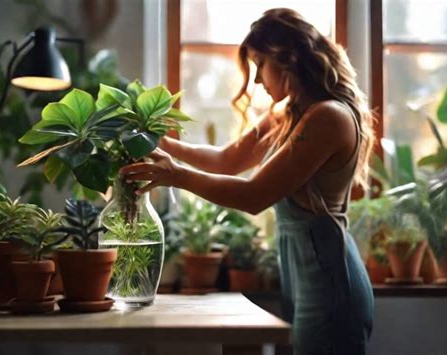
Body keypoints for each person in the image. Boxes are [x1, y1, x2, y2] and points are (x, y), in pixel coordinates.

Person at [121, 8, 374, 355]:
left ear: (287, 59)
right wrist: (159, 143)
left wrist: (174, 175)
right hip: (303, 280)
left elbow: (254, 196)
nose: (256, 81)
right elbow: (228, 160)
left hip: (330, 283)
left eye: (259, 65)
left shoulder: (328, 118)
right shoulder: (287, 113)